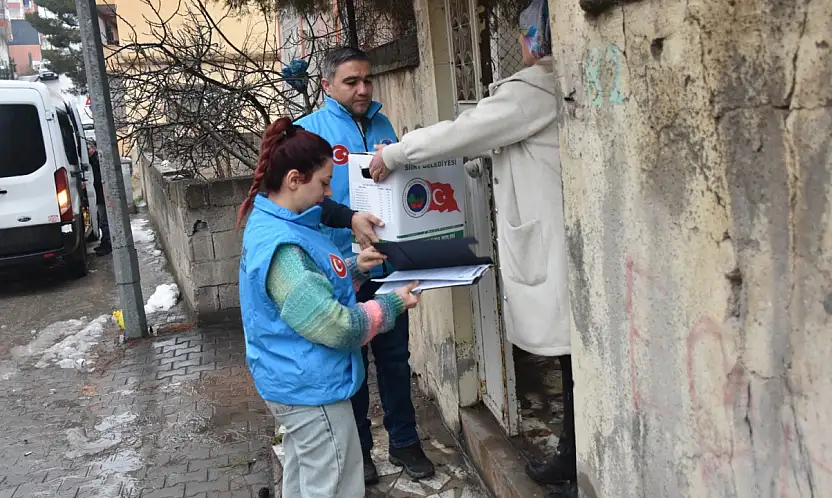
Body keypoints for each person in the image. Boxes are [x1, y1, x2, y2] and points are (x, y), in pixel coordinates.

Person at [368, 1, 576, 496]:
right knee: (569, 363)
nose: (522, 41)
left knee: (572, 362)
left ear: (534, 37)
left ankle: (575, 461)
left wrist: (395, 153)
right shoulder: (545, 86)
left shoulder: (536, 87)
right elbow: (510, 148)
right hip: (555, 238)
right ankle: (571, 457)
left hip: (554, 246)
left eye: (523, 32)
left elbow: (465, 132)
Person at [237, 117, 421, 498]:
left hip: (292, 377)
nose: (327, 194)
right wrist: (390, 303)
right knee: (335, 485)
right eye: (323, 183)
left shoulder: (277, 222)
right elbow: (336, 326)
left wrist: (354, 269)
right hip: (311, 388)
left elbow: (307, 292)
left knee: (305, 478)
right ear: (293, 179)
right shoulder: (284, 247)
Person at [295, 47, 437, 483]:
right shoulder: (309, 132)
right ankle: (360, 450)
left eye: (366, 80)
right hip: (342, 269)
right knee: (352, 364)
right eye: (350, 81)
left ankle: (405, 442)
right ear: (326, 85)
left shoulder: (382, 123)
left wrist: (398, 157)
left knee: (395, 359)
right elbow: (302, 204)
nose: (361, 89)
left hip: (388, 263)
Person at [87, 140, 111, 256]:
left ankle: (107, 245)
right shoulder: (93, 160)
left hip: (103, 195)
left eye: (88, 149)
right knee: (102, 220)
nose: (87, 152)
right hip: (100, 195)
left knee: (104, 221)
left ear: (94, 148)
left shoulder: (97, 160)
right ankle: (104, 243)